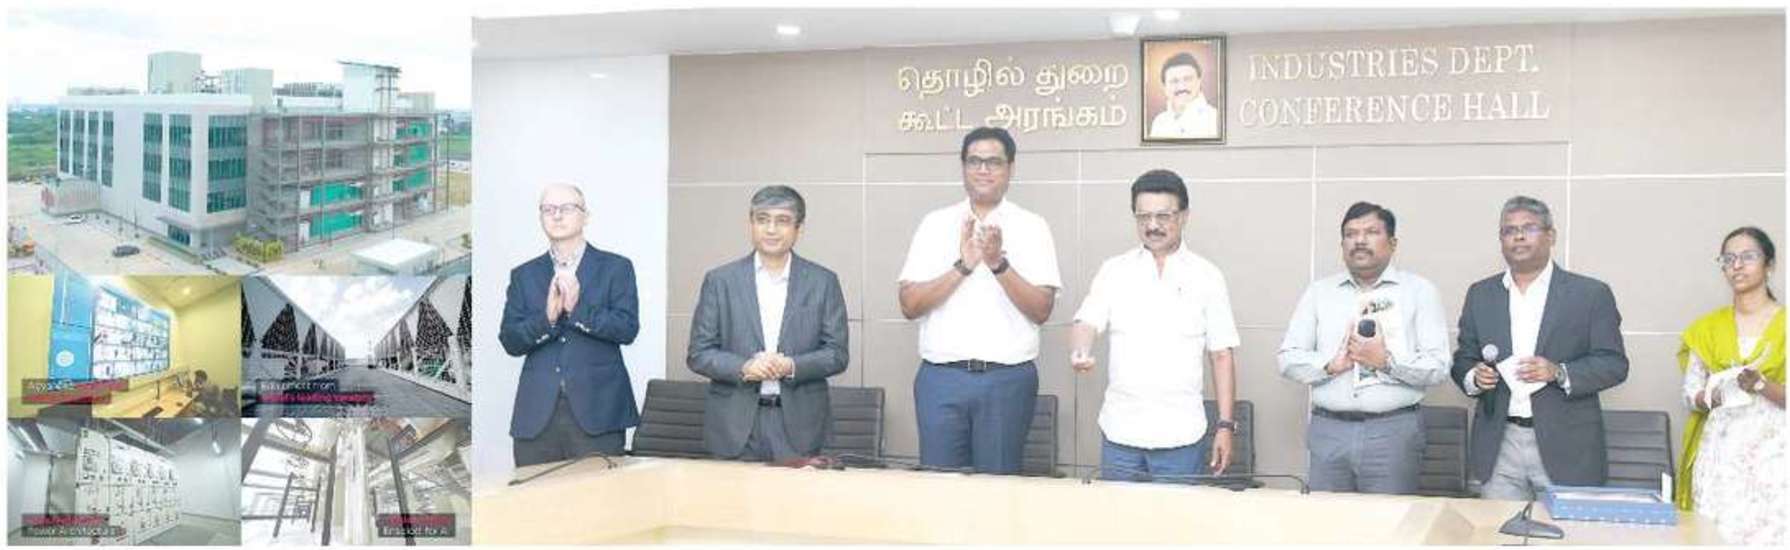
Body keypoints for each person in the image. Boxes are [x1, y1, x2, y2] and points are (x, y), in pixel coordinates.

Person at [897, 126, 1062, 474]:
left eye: (993, 162)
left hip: (1006, 381)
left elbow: (1041, 310)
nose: (983, 170)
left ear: (1010, 168)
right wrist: (964, 266)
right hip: (942, 379)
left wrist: (998, 263)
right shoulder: (935, 224)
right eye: (974, 161)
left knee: (997, 490)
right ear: (963, 167)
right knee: (939, 487)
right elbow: (909, 305)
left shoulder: (1033, 226)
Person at [1452, 195, 1629, 501]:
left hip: (1568, 446)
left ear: (1551, 236)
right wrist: (1474, 377)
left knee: (1567, 529)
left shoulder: (1590, 294)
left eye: (1529, 228)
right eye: (1509, 230)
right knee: (1499, 528)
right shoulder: (1481, 294)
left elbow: (1614, 364)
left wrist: (1559, 372)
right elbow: (1463, 359)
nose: (1518, 236)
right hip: (1499, 444)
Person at [1070, 169, 1238, 482]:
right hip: (1120, 432)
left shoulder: (1207, 276)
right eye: (1143, 216)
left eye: (1163, 216)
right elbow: (1086, 321)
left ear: (1184, 216)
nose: (1152, 226)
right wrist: (1081, 350)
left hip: (1181, 436)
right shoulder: (1114, 270)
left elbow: (1221, 355)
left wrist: (1226, 426)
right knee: (1117, 515)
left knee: (1178, 516)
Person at [1277, 201, 1449, 494]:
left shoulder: (1419, 291)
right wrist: (1330, 365)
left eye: (1371, 232)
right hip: (1329, 430)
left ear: (1392, 243)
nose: (1359, 240)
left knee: (1389, 521)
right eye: (1351, 234)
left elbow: (1438, 367)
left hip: (1392, 432)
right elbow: (1287, 359)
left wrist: (1386, 362)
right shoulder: (1319, 293)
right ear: (1342, 244)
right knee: (1325, 520)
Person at [688, 185, 849, 462]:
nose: (771, 229)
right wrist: (744, 367)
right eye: (762, 220)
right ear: (751, 225)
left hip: (799, 426)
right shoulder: (720, 281)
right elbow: (699, 354)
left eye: (782, 221)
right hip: (734, 426)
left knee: (796, 492)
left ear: (799, 229)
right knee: (730, 493)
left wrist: (791, 366)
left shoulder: (823, 282)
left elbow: (837, 354)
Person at [499, 183, 641, 468]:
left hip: (598, 411)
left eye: (567, 208)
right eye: (548, 209)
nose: (557, 215)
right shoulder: (524, 275)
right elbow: (510, 341)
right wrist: (547, 319)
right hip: (537, 416)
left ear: (586, 215)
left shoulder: (616, 267)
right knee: (534, 494)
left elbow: (627, 329)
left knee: (598, 494)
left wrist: (578, 310)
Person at [1676, 226, 1785, 545]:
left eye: (1747, 256)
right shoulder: (1706, 328)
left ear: (1769, 264)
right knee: (1714, 537)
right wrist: (1715, 395)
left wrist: (1760, 384)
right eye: (1728, 259)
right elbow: (1690, 395)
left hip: (1776, 458)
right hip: (1720, 458)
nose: (1736, 265)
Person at [1148, 52, 1219, 140]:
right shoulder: (1159, 122)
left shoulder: (1215, 119)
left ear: (1199, 81)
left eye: (1187, 79)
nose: (1181, 87)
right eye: (1174, 81)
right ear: (1164, 87)